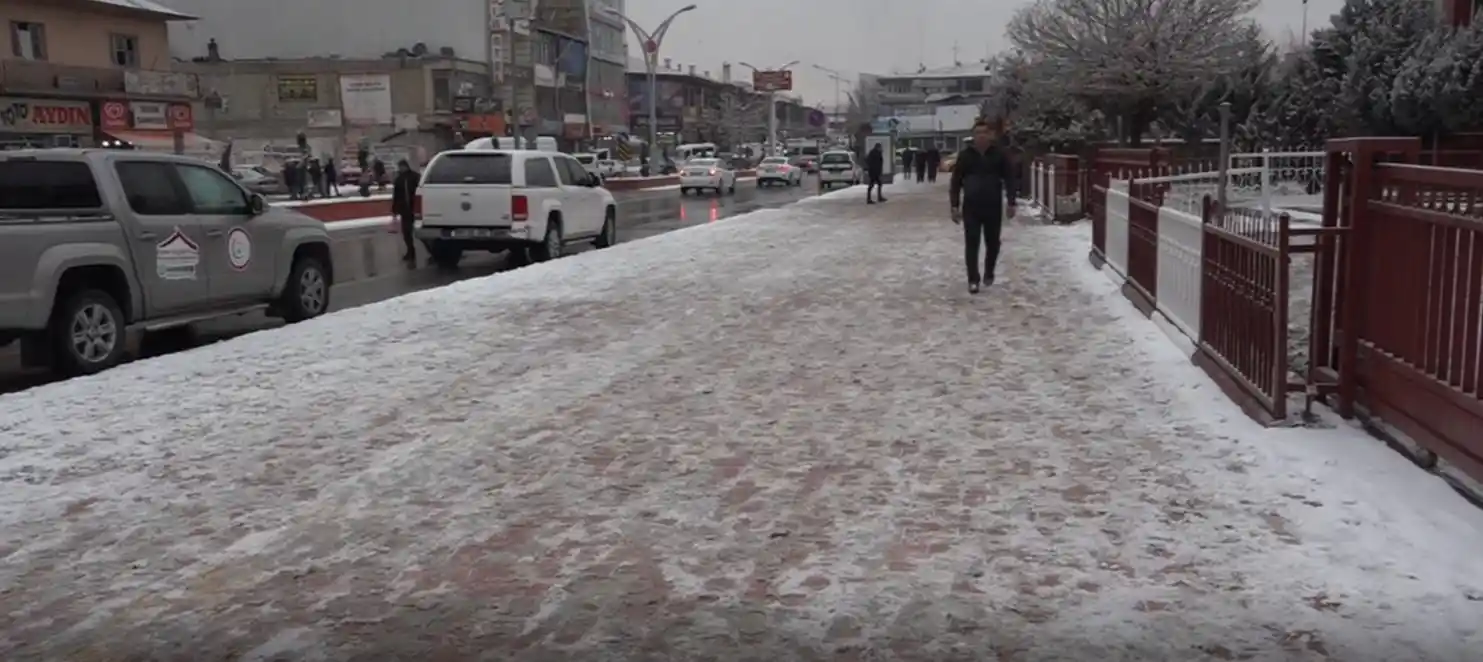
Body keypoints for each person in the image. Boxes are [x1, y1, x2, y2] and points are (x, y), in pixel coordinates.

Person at [949, 120, 1017, 294]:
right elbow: (956, 181)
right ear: (973, 135)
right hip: (971, 206)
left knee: (993, 242)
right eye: (977, 132)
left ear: (990, 135)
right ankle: (973, 279)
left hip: (992, 205)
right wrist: (954, 205)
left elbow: (1010, 178)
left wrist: (1011, 201)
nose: (981, 136)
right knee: (972, 242)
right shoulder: (965, 156)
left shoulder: (999, 155)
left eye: (984, 132)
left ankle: (989, 271)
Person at [390, 160, 421, 265]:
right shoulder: (399, 180)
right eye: (400, 167)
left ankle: (432, 251)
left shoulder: (415, 177)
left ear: (406, 166)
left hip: (416, 209)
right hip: (405, 210)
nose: (401, 169)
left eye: (402, 167)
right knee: (406, 232)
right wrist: (394, 210)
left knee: (421, 232)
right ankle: (410, 251)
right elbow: (396, 196)